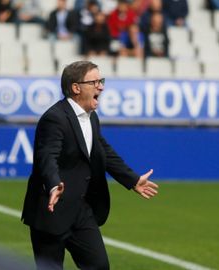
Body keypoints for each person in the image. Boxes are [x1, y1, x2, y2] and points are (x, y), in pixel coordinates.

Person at [21, 60, 159, 270]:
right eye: (95, 82)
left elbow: (103, 151)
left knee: (99, 266)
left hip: (81, 211)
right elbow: (46, 157)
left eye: (101, 81)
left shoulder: (91, 117)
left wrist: (132, 180)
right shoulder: (54, 118)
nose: (101, 87)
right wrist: (53, 184)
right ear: (76, 88)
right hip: (51, 211)